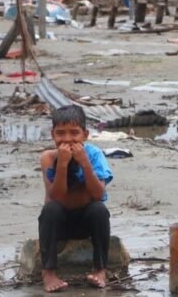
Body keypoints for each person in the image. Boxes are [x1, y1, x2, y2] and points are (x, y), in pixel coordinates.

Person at [39, 105, 113, 292]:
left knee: (99, 210)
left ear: (85, 134)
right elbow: (55, 196)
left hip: (87, 222)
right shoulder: (48, 158)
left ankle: (100, 269)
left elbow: (98, 194)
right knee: (50, 210)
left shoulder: (95, 155)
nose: (67, 139)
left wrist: (84, 162)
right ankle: (48, 272)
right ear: (53, 135)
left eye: (74, 133)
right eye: (60, 133)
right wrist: (63, 164)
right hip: (59, 223)